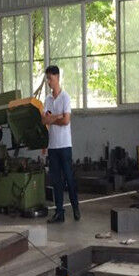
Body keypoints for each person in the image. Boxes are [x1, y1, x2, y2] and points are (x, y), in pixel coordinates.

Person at [42, 65, 80, 223]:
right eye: (47, 79)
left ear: (57, 77)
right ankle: (59, 212)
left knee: (69, 178)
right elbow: (44, 120)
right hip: (52, 146)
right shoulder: (47, 99)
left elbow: (66, 120)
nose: (49, 82)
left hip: (64, 145)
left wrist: (53, 119)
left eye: (50, 78)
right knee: (56, 181)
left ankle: (75, 207)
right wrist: (57, 117)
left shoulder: (65, 97)